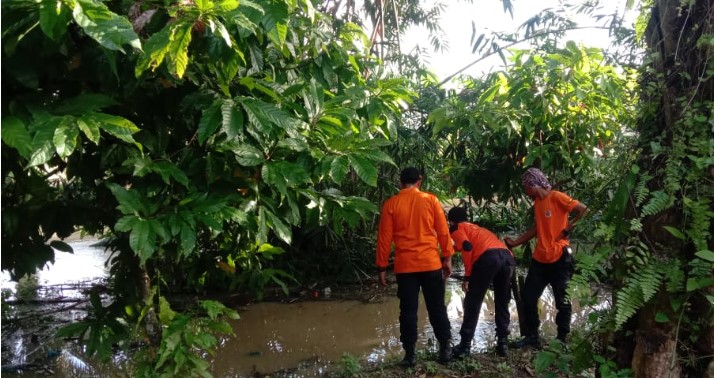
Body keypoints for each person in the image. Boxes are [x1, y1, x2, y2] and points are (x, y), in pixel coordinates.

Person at [375, 167, 454, 367]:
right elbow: (443, 232)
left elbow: (384, 239)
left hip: (405, 268)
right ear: (419, 181)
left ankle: (410, 355)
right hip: (430, 264)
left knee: (408, 311)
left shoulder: (391, 204)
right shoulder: (430, 200)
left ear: (400, 182)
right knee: (436, 307)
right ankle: (445, 348)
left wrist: (381, 267)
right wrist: (447, 257)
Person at [504, 167, 589, 348]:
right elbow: (537, 229)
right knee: (528, 297)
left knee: (562, 301)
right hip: (540, 258)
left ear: (532, 185)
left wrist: (569, 226)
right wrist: (515, 242)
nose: (525, 192)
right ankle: (532, 337)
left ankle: (561, 340)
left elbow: (583, 209)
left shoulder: (557, 197)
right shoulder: (538, 203)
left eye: (525, 187)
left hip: (559, 258)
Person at [447, 207, 516, 358]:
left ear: (450, 221)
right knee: (502, 301)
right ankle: (503, 344)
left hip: (487, 260)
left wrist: (467, 276)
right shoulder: (476, 228)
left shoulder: (456, 228)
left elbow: (466, 247)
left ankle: (464, 347)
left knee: (473, 302)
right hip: (507, 258)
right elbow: (464, 245)